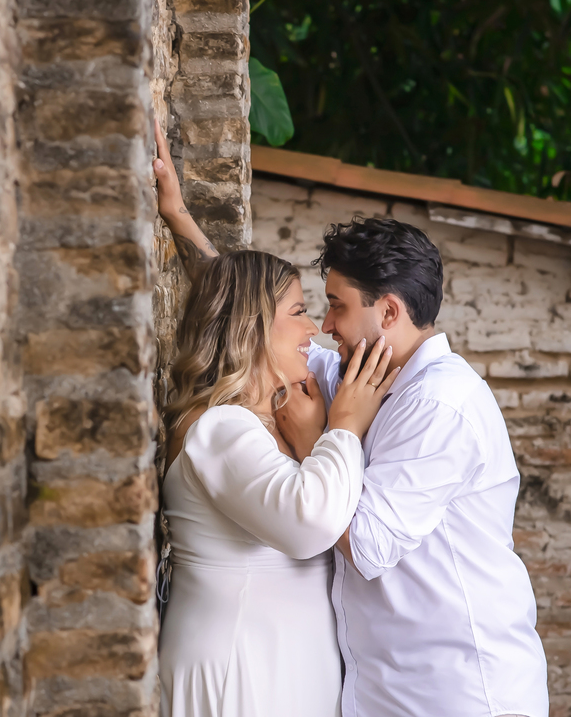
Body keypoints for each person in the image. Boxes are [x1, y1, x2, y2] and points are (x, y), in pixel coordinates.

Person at [152, 119, 549, 717]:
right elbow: (249, 320)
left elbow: (363, 543)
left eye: (335, 306)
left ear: (387, 311)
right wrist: (179, 218)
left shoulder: (440, 405)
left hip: (453, 688)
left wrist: (321, 434)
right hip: (372, 686)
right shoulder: (350, 373)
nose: (324, 326)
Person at [157, 248, 398, 717]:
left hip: (283, 662)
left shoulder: (265, 422)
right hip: (240, 665)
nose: (314, 330)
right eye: (299, 312)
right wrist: (344, 426)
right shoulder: (219, 428)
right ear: (251, 326)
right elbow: (309, 524)